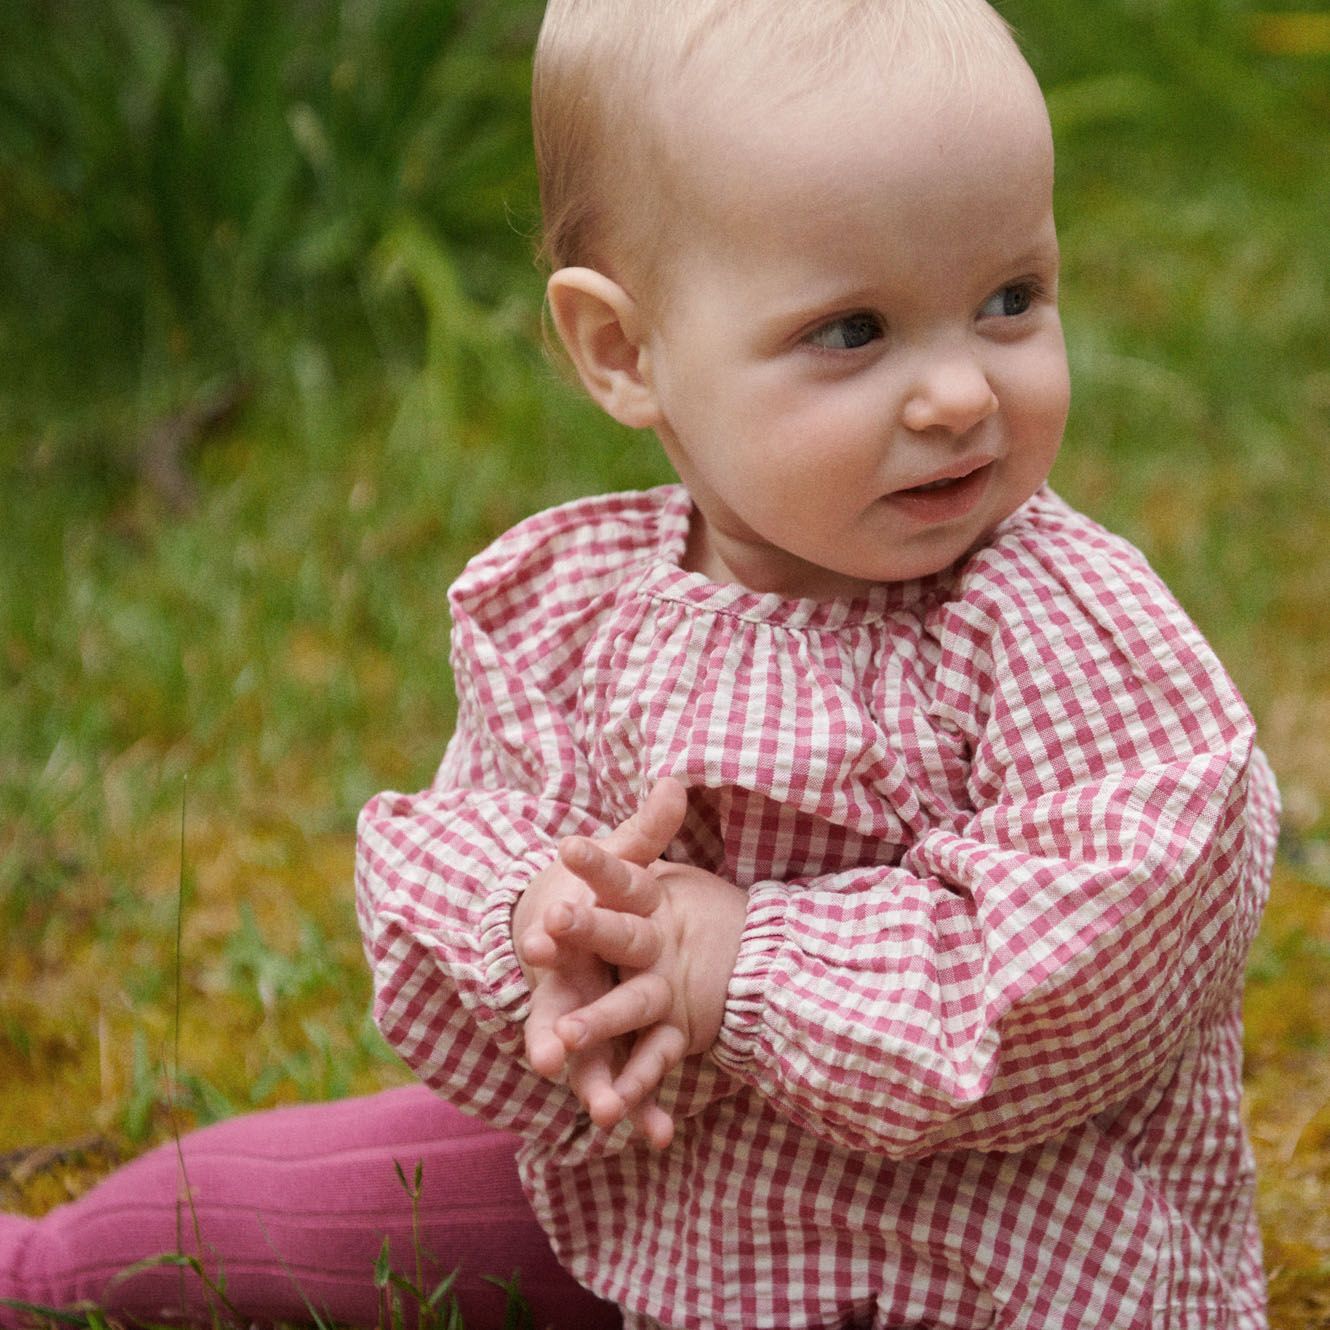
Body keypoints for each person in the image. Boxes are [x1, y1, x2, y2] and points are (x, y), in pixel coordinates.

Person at [1, 1, 1279, 1328]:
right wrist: (542, 927)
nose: (958, 392)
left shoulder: (1052, 620)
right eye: (853, 330)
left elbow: (1096, 960)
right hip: (660, 1191)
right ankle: (39, 1270)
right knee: (286, 1203)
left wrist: (744, 966)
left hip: (984, 1256)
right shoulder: (583, 616)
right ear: (623, 351)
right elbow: (456, 844)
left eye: (1008, 299)